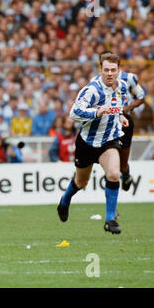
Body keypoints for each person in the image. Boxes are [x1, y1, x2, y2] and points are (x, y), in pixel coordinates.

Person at [57, 53, 129, 234]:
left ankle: (110, 219)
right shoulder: (92, 90)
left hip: (109, 139)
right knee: (81, 182)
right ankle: (65, 201)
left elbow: (118, 105)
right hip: (87, 142)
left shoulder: (122, 87)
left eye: (113, 70)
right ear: (100, 70)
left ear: (119, 70)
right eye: (106, 70)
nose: (110, 73)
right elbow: (74, 113)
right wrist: (96, 112)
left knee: (113, 173)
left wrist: (119, 116)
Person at [91, 51, 146, 191]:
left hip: (124, 122)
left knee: (122, 165)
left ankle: (126, 174)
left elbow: (140, 97)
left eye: (112, 67)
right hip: (105, 124)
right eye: (105, 67)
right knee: (109, 168)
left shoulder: (129, 78)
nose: (109, 71)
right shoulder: (94, 82)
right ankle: (113, 209)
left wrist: (125, 110)